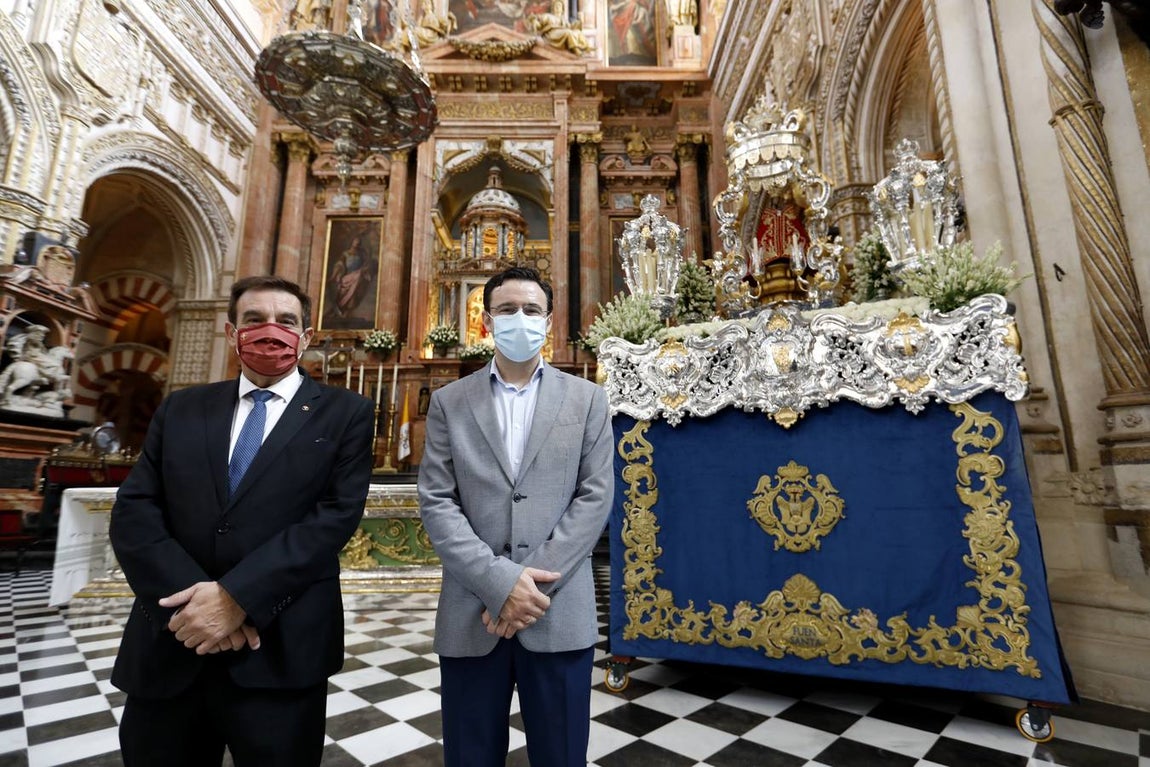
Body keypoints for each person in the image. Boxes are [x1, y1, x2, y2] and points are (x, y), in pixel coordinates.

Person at [109, 275, 376, 767]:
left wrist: (237, 599)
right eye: (254, 320)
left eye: (286, 321)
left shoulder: (346, 413)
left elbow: (333, 518)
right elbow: (135, 510)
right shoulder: (182, 408)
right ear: (232, 333)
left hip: (279, 649)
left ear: (307, 336)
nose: (270, 331)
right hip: (173, 639)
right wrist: (197, 601)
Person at [419, 266, 613, 766]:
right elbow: (438, 501)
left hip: (557, 611)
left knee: (561, 755)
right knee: (471, 755)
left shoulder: (588, 399)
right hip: (471, 614)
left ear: (549, 322)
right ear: (486, 321)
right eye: (507, 310)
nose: (519, 319)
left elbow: (594, 497)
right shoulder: (449, 402)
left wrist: (528, 590)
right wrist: (499, 583)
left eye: (531, 310)